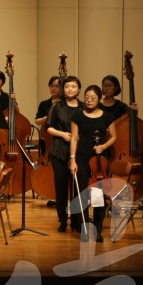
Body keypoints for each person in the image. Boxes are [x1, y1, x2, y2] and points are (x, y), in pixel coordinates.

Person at [69, 84, 117, 242]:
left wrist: (103, 146)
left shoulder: (107, 116)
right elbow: (74, 138)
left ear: (99, 99)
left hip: (99, 161)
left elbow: (113, 137)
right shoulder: (77, 116)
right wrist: (72, 159)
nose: (89, 101)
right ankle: (84, 228)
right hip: (82, 158)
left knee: (98, 196)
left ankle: (97, 230)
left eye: (93, 98)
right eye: (86, 98)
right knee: (83, 193)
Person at [45, 76, 82, 233]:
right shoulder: (57, 107)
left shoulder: (84, 107)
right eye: (67, 87)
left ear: (78, 89)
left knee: (78, 189)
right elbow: (48, 128)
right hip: (59, 150)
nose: (70, 89)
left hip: (79, 152)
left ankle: (77, 221)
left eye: (73, 87)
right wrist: (62, 134)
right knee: (61, 188)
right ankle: (62, 220)